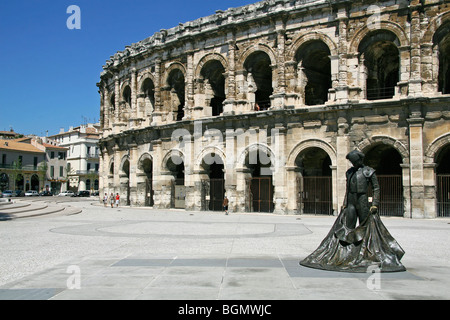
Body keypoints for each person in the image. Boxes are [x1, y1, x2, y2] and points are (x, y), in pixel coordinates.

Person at [300, 150, 406, 273]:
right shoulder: (349, 172)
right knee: (348, 226)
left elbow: (376, 188)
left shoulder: (369, 171)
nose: (353, 164)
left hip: (362, 200)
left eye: (354, 161)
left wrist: (375, 204)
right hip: (351, 200)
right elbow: (347, 188)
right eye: (351, 162)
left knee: (364, 226)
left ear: (359, 160)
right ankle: (346, 253)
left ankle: (364, 251)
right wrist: (344, 203)